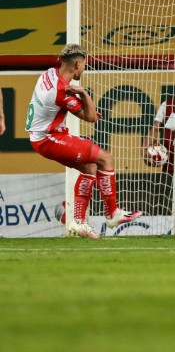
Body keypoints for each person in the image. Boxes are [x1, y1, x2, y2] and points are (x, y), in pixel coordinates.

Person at [25, 44, 142, 238]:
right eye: (85, 64)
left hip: (43, 136)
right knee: (105, 158)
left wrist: (83, 102)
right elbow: (91, 117)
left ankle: (79, 223)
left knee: (90, 168)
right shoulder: (61, 90)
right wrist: (84, 93)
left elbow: (83, 110)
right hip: (49, 138)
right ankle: (113, 213)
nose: (85, 68)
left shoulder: (50, 73)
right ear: (78, 64)